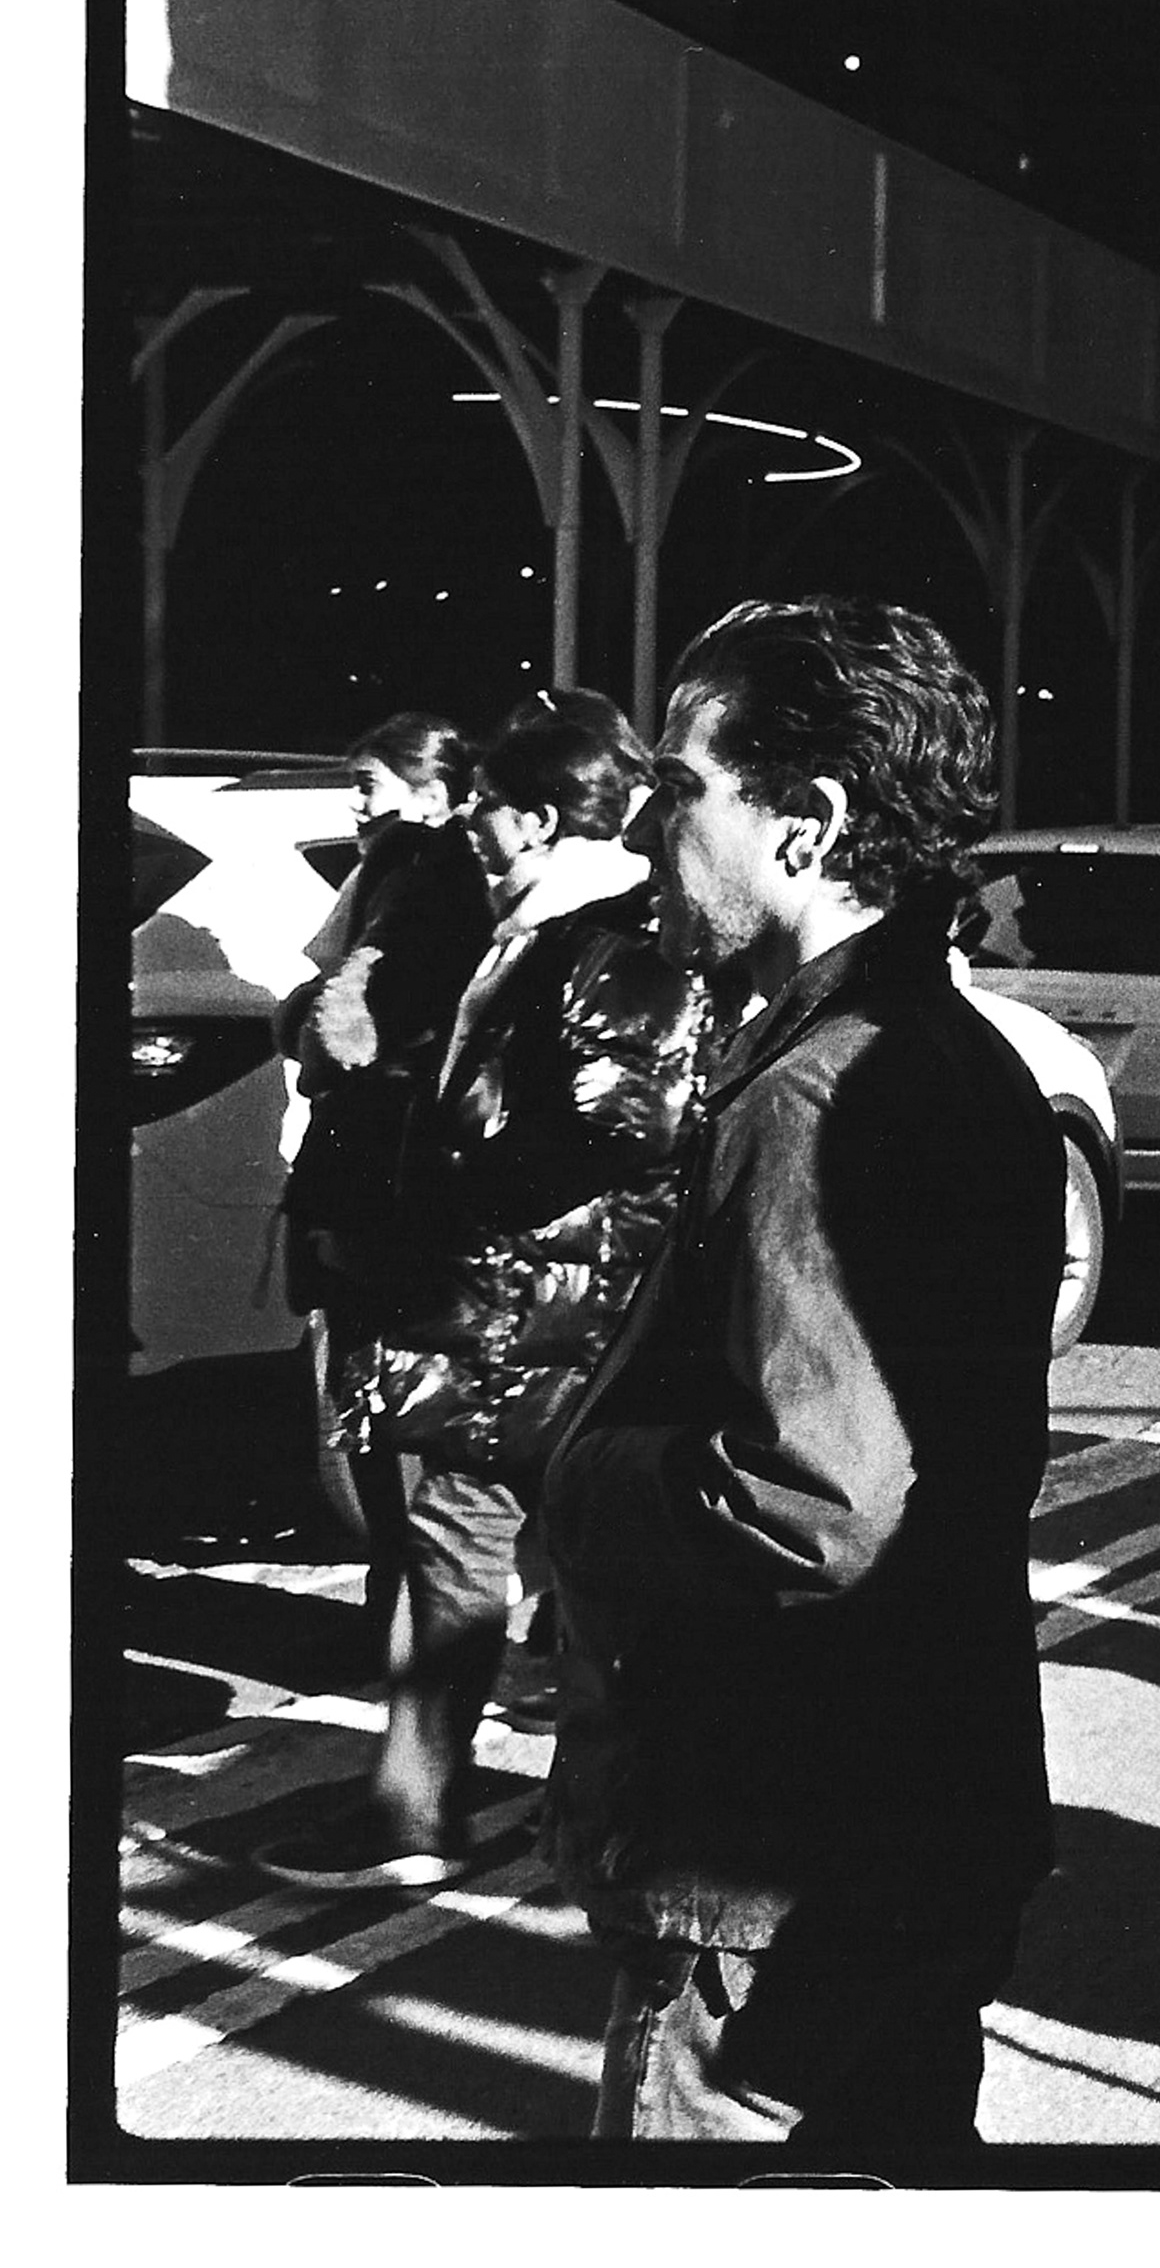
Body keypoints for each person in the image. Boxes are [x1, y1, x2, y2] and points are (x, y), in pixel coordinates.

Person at [541, 598, 1062, 2142]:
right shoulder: (969, 1058)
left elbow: (814, 1495)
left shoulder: (816, 1091)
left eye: (680, 783)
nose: (646, 829)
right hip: (928, 1817)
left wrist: (590, 1480)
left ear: (810, 820)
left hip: (760, 1856)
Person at [252, 692, 705, 1892]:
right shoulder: (546, 921)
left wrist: (449, 1183)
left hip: (530, 1306)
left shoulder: (599, 932)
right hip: (521, 1301)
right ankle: (567, 1816)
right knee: (497, 1555)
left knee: (455, 1551)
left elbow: (626, 1123)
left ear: (542, 819)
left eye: (494, 809)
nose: (475, 827)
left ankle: (417, 1820)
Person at [277, 711, 495, 1433]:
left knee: (375, 1372)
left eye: (368, 785)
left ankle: (397, 1544)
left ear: (431, 794)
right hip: (396, 1150)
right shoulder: (431, 869)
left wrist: (301, 1016)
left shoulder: (415, 866)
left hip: (377, 1150)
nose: (356, 804)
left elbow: (351, 1022)